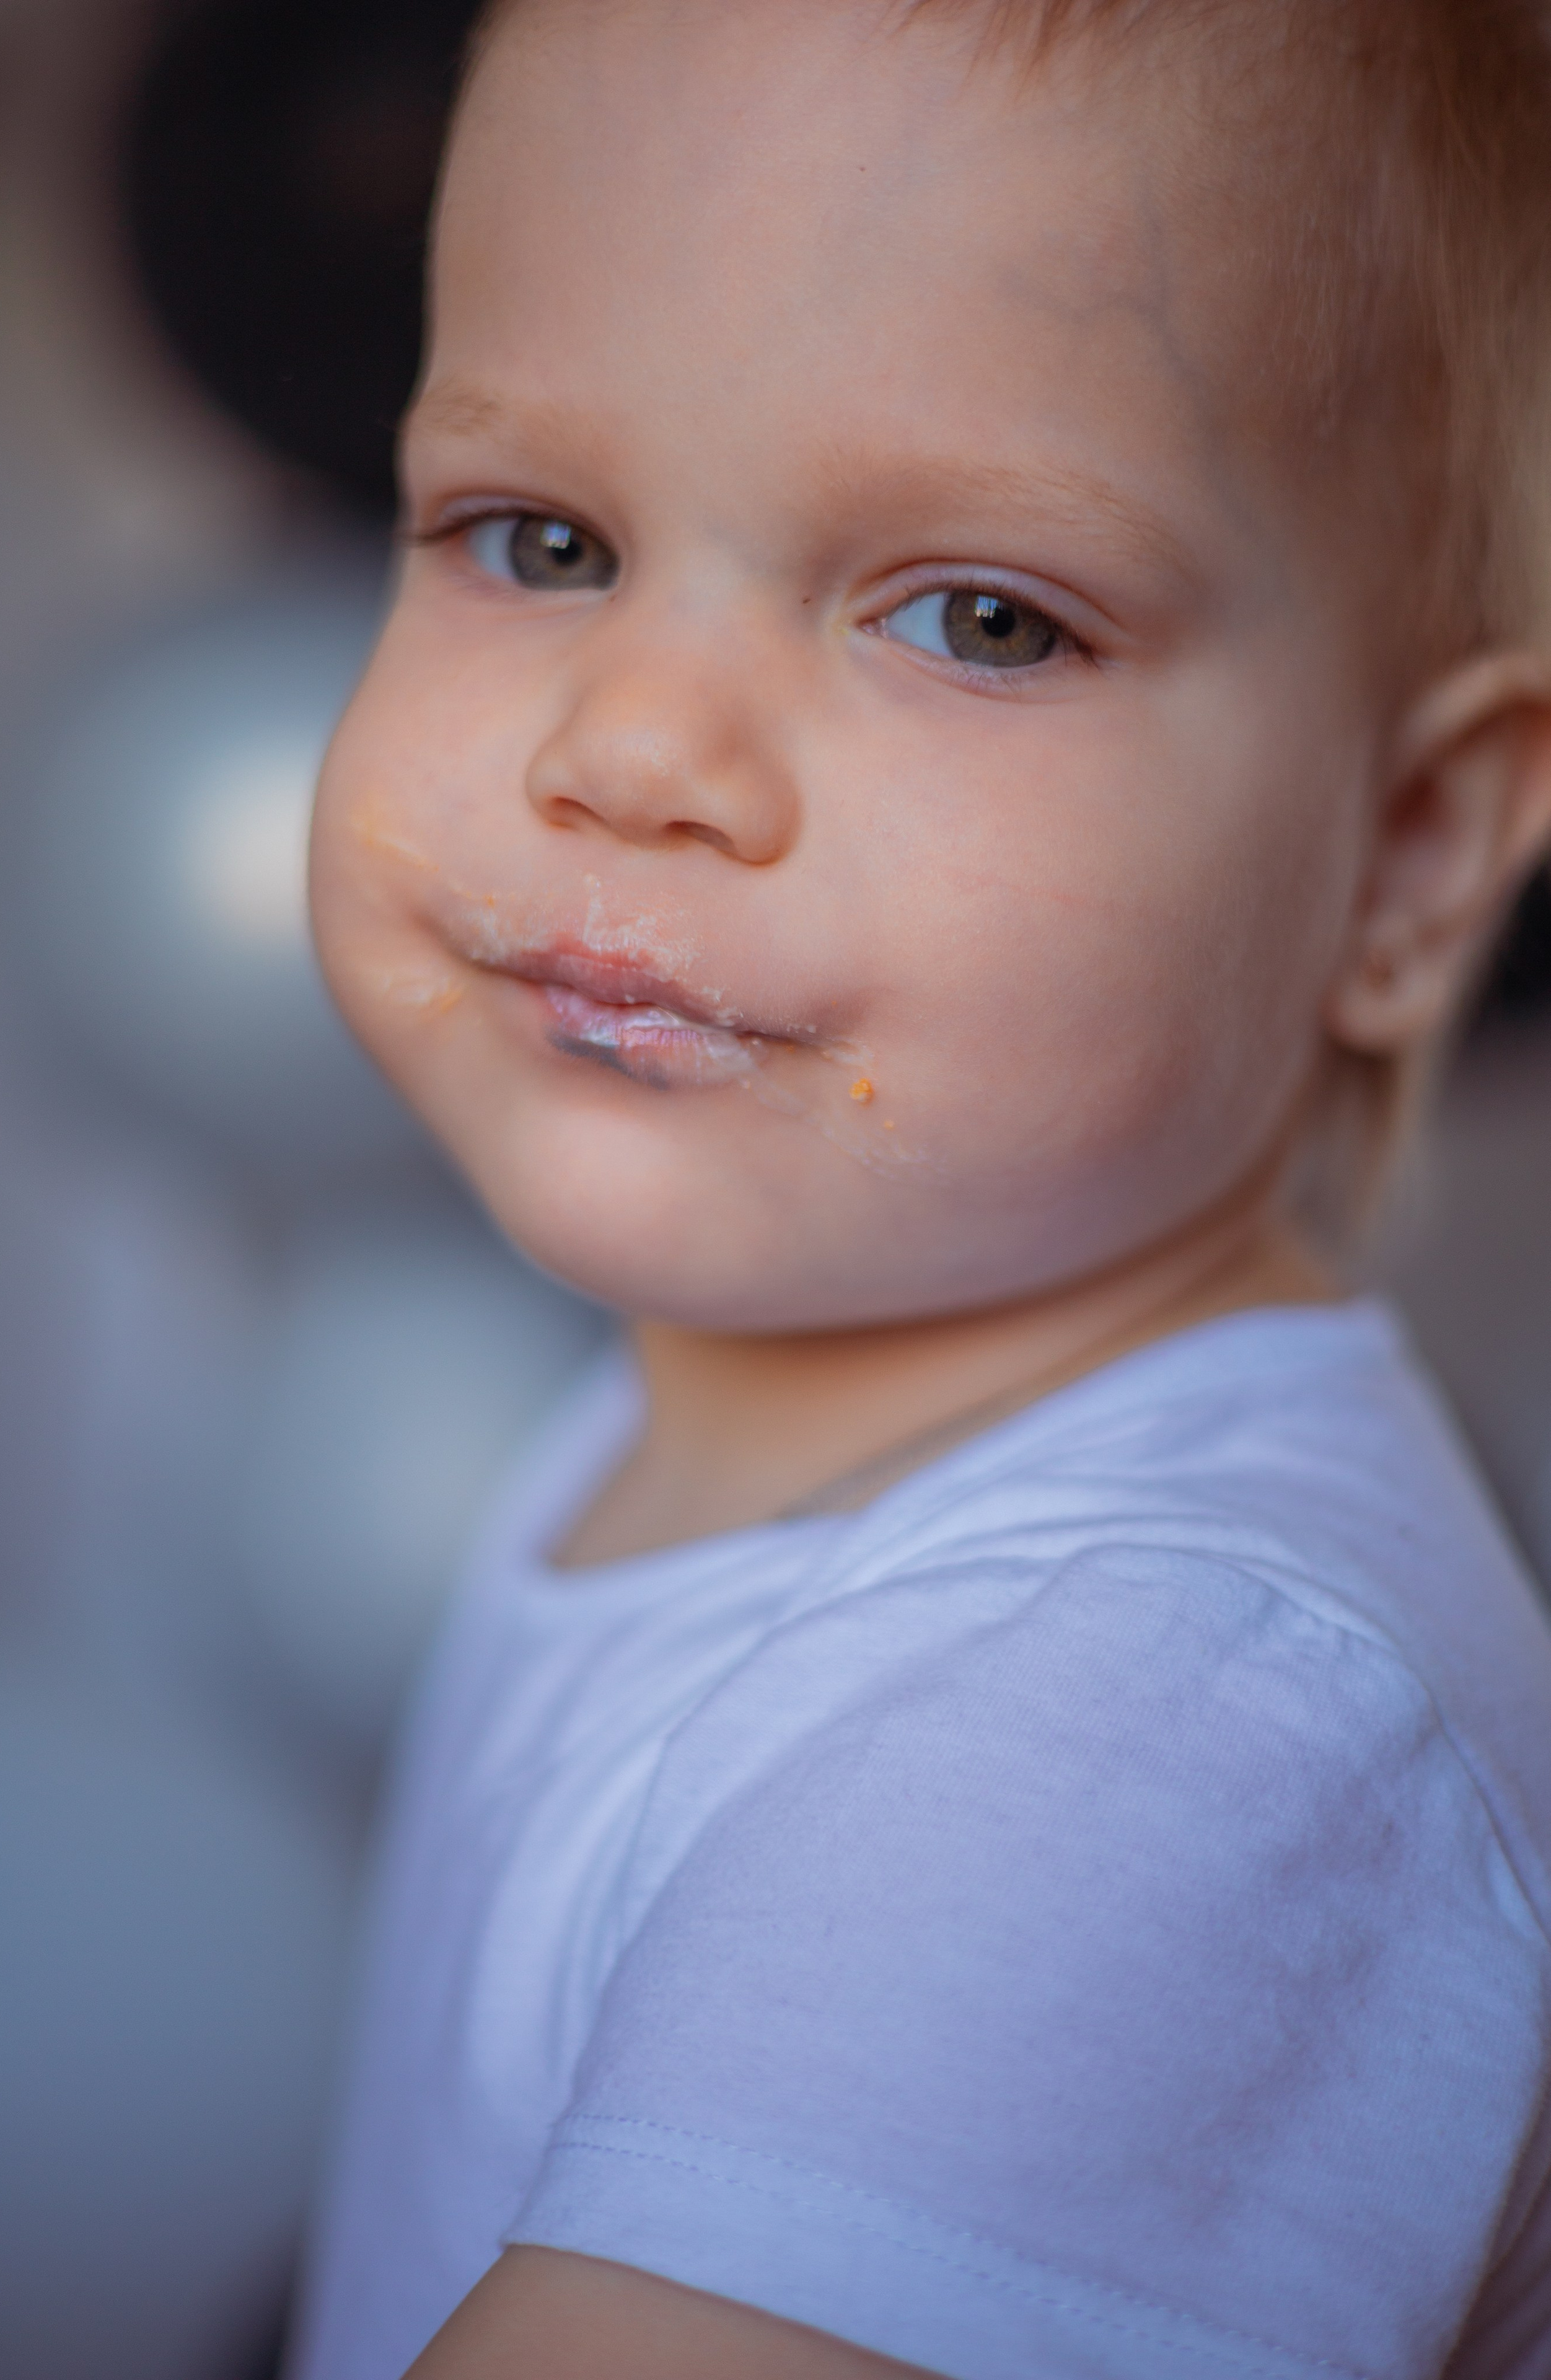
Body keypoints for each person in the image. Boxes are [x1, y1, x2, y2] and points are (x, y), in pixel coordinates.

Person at [293, 1, 1551, 2373]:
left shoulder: (1141, 1722)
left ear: (1403, 852)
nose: (633, 748)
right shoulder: (723, 1411)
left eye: (982, 618)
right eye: (540, 540)